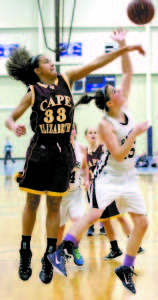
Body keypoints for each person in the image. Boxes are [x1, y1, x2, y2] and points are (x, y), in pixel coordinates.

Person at [5, 41, 138, 284]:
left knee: (55, 206)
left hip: (63, 152)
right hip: (40, 149)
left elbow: (95, 63)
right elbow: (11, 117)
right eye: (46, 61)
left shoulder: (67, 79)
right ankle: (25, 250)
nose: (51, 63)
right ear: (37, 70)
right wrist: (15, 126)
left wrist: (122, 50)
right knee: (32, 201)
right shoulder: (34, 90)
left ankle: (48, 256)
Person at [47, 29, 148, 295]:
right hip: (108, 178)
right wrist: (136, 134)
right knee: (94, 214)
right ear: (111, 101)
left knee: (142, 223)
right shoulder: (106, 125)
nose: (120, 89)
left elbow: (127, 73)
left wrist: (124, 45)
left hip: (128, 178)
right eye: (115, 90)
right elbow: (115, 154)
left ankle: (125, 267)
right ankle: (62, 250)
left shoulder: (123, 107)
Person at [85, 127, 144, 259]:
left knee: (117, 217)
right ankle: (117, 248)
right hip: (102, 185)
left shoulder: (108, 147)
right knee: (106, 219)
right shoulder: (86, 150)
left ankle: (132, 245)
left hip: (104, 185)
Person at [57, 123, 89, 266]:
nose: (70, 131)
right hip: (59, 195)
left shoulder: (81, 148)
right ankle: (58, 252)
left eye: (72, 129)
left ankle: (74, 248)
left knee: (79, 223)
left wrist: (87, 179)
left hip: (75, 193)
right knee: (60, 227)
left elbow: (85, 166)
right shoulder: (56, 147)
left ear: (76, 131)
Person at [85, 127, 106, 236]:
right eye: (90, 132)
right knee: (91, 205)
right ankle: (91, 226)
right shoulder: (84, 151)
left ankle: (103, 226)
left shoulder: (102, 149)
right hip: (90, 183)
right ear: (86, 136)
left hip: (102, 182)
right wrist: (85, 180)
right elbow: (84, 168)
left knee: (103, 205)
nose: (93, 134)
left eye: (95, 132)